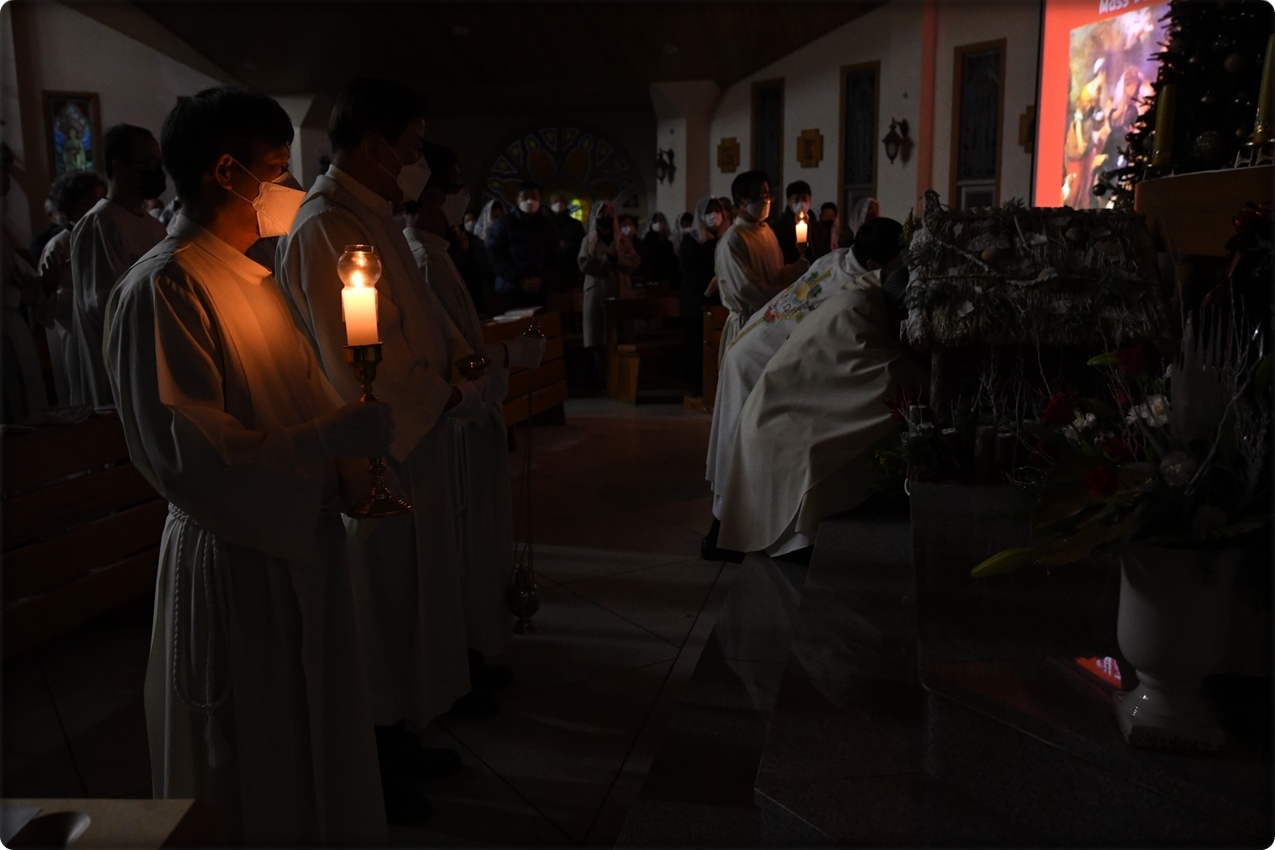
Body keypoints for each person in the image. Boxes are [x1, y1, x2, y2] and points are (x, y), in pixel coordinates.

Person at [101, 85, 390, 845]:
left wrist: (348, 463)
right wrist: (327, 439)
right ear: (226, 172)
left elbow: (295, 400)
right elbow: (188, 454)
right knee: (254, 760)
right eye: (277, 167)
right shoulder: (165, 286)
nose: (291, 186)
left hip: (297, 538)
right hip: (235, 559)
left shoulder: (256, 277)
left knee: (312, 736)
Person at [276, 77, 492, 824]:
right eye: (412, 147)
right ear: (374, 147)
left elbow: (414, 325)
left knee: (405, 599)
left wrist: (459, 369)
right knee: (375, 606)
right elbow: (361, 360)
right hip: (374, 454)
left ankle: (400, 729)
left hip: (411, 441)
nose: (418, 163)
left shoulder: (370, 216)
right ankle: (370, 754)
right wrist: (447, 396)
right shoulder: (328, 227)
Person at [403, 140, 546, 699]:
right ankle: (462, 657)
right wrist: (510, 355)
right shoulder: (421, 259)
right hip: (457, 426)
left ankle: (474, 649)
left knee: (481, 543)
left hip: (473, 416)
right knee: (464, 546)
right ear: (431, 195)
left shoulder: (436, 253)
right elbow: (449, 357)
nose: (466, 195)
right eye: (457, 184)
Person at [716, 217, 924, 556]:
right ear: (875, 265)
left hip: (778, 367)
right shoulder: (854, 298)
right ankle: (735, 527)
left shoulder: (839, 264)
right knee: (743, 458)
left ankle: (729, 518)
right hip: (758, 363)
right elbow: (877, 372)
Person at [70, 123, 169, 407]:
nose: (156, 170)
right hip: (120, 359)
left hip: (153, 351)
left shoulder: (153, 225)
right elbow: (103, 303)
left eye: (158, 162)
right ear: (120, 167)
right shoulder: (99, 224)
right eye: (147, 163)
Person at [712, 170, 808, 364]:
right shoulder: (733, 240)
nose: (764, 201)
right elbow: (748, 289)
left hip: (772, 320)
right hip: (748, 323)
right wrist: (788, 296)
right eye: (757, 196)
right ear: (740, 201)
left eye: (767, 195)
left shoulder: (767, 232)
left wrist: (794, 271)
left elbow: (776, 274)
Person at [39, 169, 107, 407]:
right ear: (71, 208)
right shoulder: (60, 245)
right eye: (89, 203)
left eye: (102, 201)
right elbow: (54, 301)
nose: (97, 209)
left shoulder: (104, 235)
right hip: (78, 337)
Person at [579, 200, 640, 390]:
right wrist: (607, 259)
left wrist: (618, 259)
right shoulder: (588, 240)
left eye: (609, 214)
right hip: (597, 293)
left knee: (621, 336)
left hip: (621, 292)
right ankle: (602, 382)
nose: (606, 218)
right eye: (602, 215)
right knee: (599, 340)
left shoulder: (622, 240)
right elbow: (584, 264)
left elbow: (635, 261)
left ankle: (622, 382)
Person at [486, 180, 559, 313]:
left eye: (534, 197)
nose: (530, 201)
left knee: (539, 325)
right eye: (525, 197)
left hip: (539, 292)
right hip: (510, 291)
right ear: (517, 199)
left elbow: (555, 257)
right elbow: (494, 256)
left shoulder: (547, 225)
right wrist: (519, 279)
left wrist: (542, 280)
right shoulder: (504, 224)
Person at [678, 197, 725, 396]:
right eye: (709, 211)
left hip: (717, 301)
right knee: (696, 345)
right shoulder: (691, 240)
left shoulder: (722, 240)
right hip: (696, 301)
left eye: (718, 211)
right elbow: (689, 272)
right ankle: (697, 386)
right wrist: (711, 281)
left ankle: (714, 385)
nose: (715, 215)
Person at [546, 191, 585, 288]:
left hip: (570, 271)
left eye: (561, 201)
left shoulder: (575, 224)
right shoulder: (543, 224)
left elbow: (583, 245)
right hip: (548, 272)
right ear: (550, 205)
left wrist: (569, 245)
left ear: (566, 204)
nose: (559, 204)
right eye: (555, 201)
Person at [774, 180, 813, 264]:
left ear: (810, 200)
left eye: (804, 199)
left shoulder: (816, 226)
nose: (801, 203)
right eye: (796, 200)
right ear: (788, 201)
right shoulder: (779, 228)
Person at [640, 211, 679, 287]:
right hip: (651, 277)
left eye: (661, 220)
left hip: (666, 278)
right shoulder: (647, 240)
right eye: (655, 221)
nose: (658, 223)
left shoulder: (669, 241)